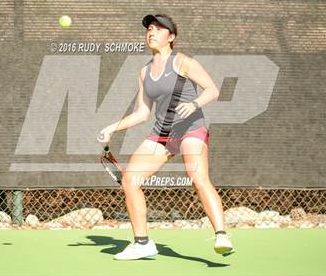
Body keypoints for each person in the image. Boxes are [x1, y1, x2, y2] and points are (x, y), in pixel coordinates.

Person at [97, 13, 234, 260]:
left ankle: (222, 235)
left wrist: (194, 104)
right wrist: (112, 127)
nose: (152, 32)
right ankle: (142, 243)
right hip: (163, 133)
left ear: (171, 37)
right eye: (149, 28)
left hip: (191, 128)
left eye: (159, 29)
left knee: (197, 177)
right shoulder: (144, 72)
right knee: (130, 180)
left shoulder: (183, 62)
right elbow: (142, 112)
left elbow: (212, 89)